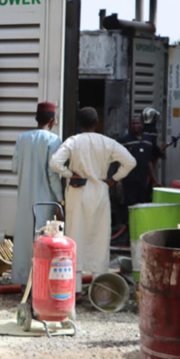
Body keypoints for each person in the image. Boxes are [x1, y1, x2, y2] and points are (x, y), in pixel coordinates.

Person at [50, 107, 136, 275]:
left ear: (79, 124)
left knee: (75, 237)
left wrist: (69, 174)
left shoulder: (73, 141)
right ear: (97, 123)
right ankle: (99, 286)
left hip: (77, 192)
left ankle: (76, 289)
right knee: (99, 238)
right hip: (100, 192)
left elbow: (54, 163)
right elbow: (130, 161)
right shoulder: (107, 142)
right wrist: (114, 178)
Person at [11, 102, 64, 285]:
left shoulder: (22, 138)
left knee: (24, 239)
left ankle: (23, 281)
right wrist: (60, 201)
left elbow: (14, 167)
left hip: (25, 200)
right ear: (53, 120)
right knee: (42, 239)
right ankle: (40, 283)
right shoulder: (53, 140)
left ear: (36, 118)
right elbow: (53, 174)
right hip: (46, 200)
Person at [119, 116, 163, 208]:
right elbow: (120, 161)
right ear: (130, 126)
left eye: (138, 123)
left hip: (143, 180)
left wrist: (154, 180)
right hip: (129, 180)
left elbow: (149, 162)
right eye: (133, 123)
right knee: (130, 205)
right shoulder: (125, 140)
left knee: (142, 204)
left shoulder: (148, 140)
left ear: (142, 125)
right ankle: (128, 222)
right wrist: (118, 180)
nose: (136, 125)